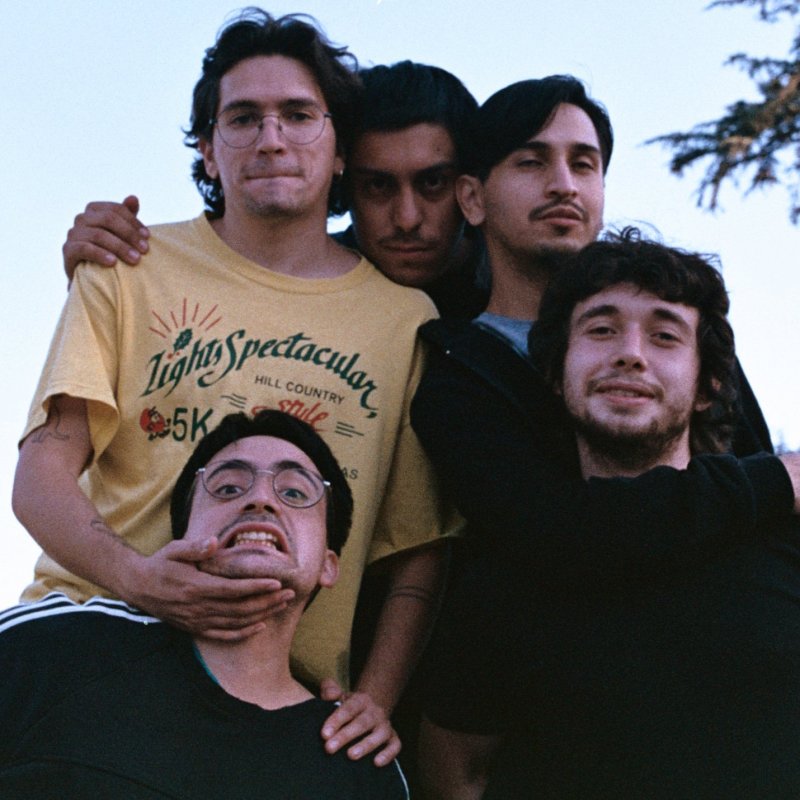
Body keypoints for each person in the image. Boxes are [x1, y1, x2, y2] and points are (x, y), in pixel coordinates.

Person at [12, 9, 456, 763]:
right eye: (243, 117)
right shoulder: (129, 268)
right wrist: (141, 580)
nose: (271, 138)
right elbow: (40, 475)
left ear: (339, 150)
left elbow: (418, 545)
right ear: (208, 151)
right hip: (98, 638)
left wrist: (376, 696)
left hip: (279, 699)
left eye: (299, 115)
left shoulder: (405, 320)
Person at [407, 77, 784, 796]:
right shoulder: (458, 371)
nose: (563, 184)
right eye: (531, 161)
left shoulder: (682, 325)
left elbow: (752, 492)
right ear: (472, 198)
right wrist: (776, 482)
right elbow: (551, 532)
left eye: (584, 164)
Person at [465, 231, 800, 798]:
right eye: (601, 330)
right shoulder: (506, 569)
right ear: (556, 372)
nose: (631, 353)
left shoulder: (785, 540)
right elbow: (459, 775)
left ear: (709, 385)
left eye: (665, 336)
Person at [1, 409, 408, 798]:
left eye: (294, 492)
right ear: (184, 537)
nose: (261, 499)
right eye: (228, 487)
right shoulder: (57, 649)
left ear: (328, 565)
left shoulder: (359, 762)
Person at [60, 61, 486, 318]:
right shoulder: (294, 275)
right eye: (377, 186)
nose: (407, 218)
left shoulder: (515, 278)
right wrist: (108, 277)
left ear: (470, 188)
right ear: (338, 170)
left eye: (432, 183)